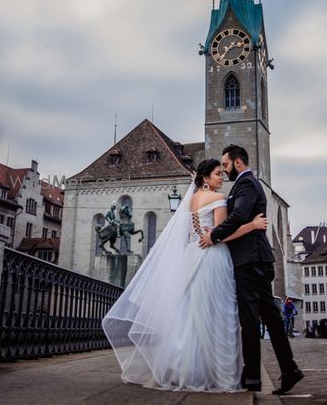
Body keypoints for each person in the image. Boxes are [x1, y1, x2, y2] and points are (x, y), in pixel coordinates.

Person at [102, 158, 267, 392]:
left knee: (190, 314)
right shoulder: (218, 198)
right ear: (206, 178)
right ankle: (212, 371)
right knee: (214, 314)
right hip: (212, 258)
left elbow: (196, 233)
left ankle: (185, 368)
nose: (222, 178)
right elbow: (222, 234)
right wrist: (252, 225)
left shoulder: (190, 200)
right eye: (218, 174)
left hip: (191, 255)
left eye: (222, 173)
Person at [199, 144, 304, 395]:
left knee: (250, 318)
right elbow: (243, 219)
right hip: (255, 259)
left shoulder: (246, 184)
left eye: (225, 165)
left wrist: (213, 236)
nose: (224, 171)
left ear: (237, 162)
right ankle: (288, 369)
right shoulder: (246, 184)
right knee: (270, 316)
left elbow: (237, 217)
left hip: (251, 260)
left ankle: (254, 376)